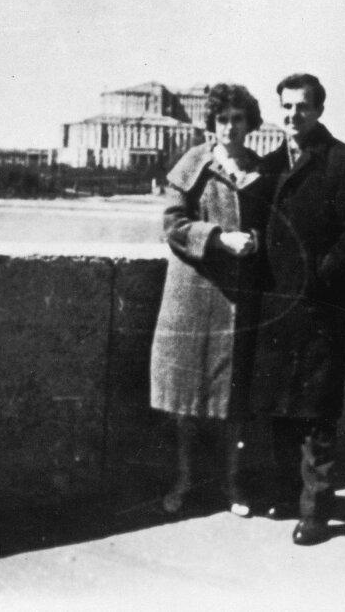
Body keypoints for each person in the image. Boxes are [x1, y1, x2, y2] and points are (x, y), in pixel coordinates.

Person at [251, 73, 345, 546]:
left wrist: (324, 277)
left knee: (316, 411)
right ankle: (288, 495)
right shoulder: (267, 166)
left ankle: (316, 510)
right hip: (275, 305)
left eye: (302, 107)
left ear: (319, 110)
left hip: (320, 307)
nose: (293, 116)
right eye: (286, 107)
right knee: (280, 407)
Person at [149, 83, 272, 517]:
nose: (230, 128)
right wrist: (218, 238)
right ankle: (182, 480)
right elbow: (173, 225)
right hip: (193, 293)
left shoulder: (261, 169)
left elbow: (275, 227)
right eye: (223, 119)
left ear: (250, 124)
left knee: (234, 400)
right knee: (185, 401)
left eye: (239, 119)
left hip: (239, 298)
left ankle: (234, 484)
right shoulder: (193, 163)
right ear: (212, 123)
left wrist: (254, 241)